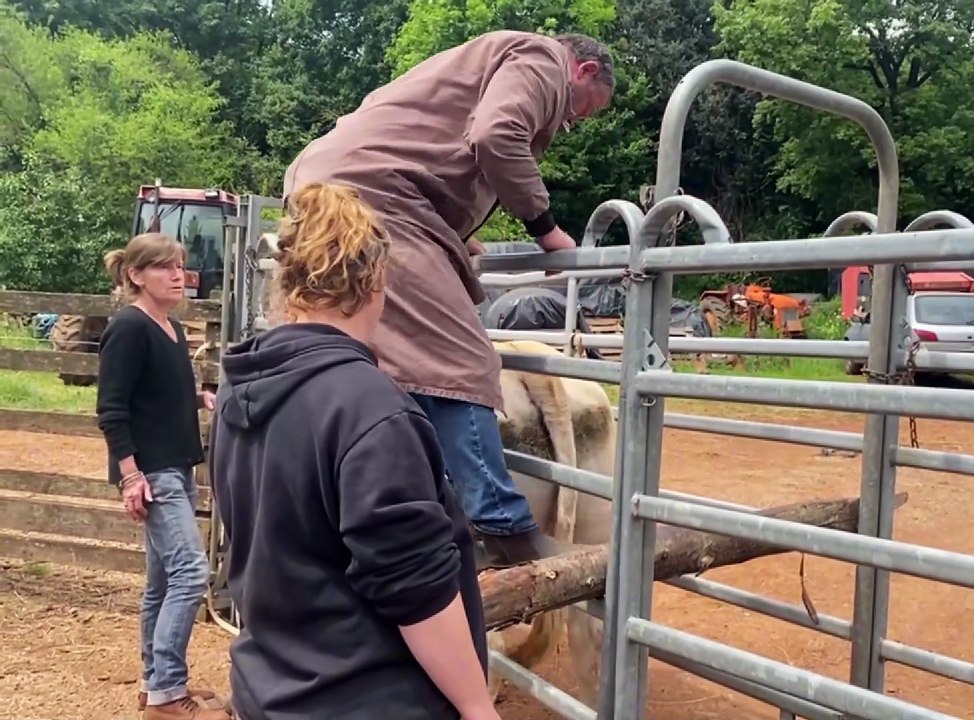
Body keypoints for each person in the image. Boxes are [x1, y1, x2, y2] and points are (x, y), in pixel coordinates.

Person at [281, 30, 616, 566]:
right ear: (586, 70)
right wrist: (547, 230)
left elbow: (433, 147)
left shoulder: (478, 59)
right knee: (457, 359)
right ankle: (501, 524)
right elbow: (496, 134)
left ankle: (405, 505)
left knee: (368, 354)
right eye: (582, 110)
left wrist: (453, 232)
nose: (571, 121)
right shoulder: (543, 59)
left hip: (333, 183)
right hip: (377, 196)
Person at [208, 182, 497, 720]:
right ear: (376, 281)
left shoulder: (239, 389)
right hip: (368, 699)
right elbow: (414, 587)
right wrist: (477, 705)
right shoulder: (371, 408)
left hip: (269, 688)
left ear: (288, 283)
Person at [94, 233, 228, 720]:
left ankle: (156, 684)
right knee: (190, 574)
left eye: (180, 265)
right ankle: (168, 696)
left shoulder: (168, 327)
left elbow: (153, 391)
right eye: (164, 267)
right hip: (152, 472)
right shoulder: (129, 328)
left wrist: (198, 398)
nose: (178, 275)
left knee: (162, 582)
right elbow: (112, 409)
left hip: (176, 466)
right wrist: (130, 476)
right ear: (135, 275)